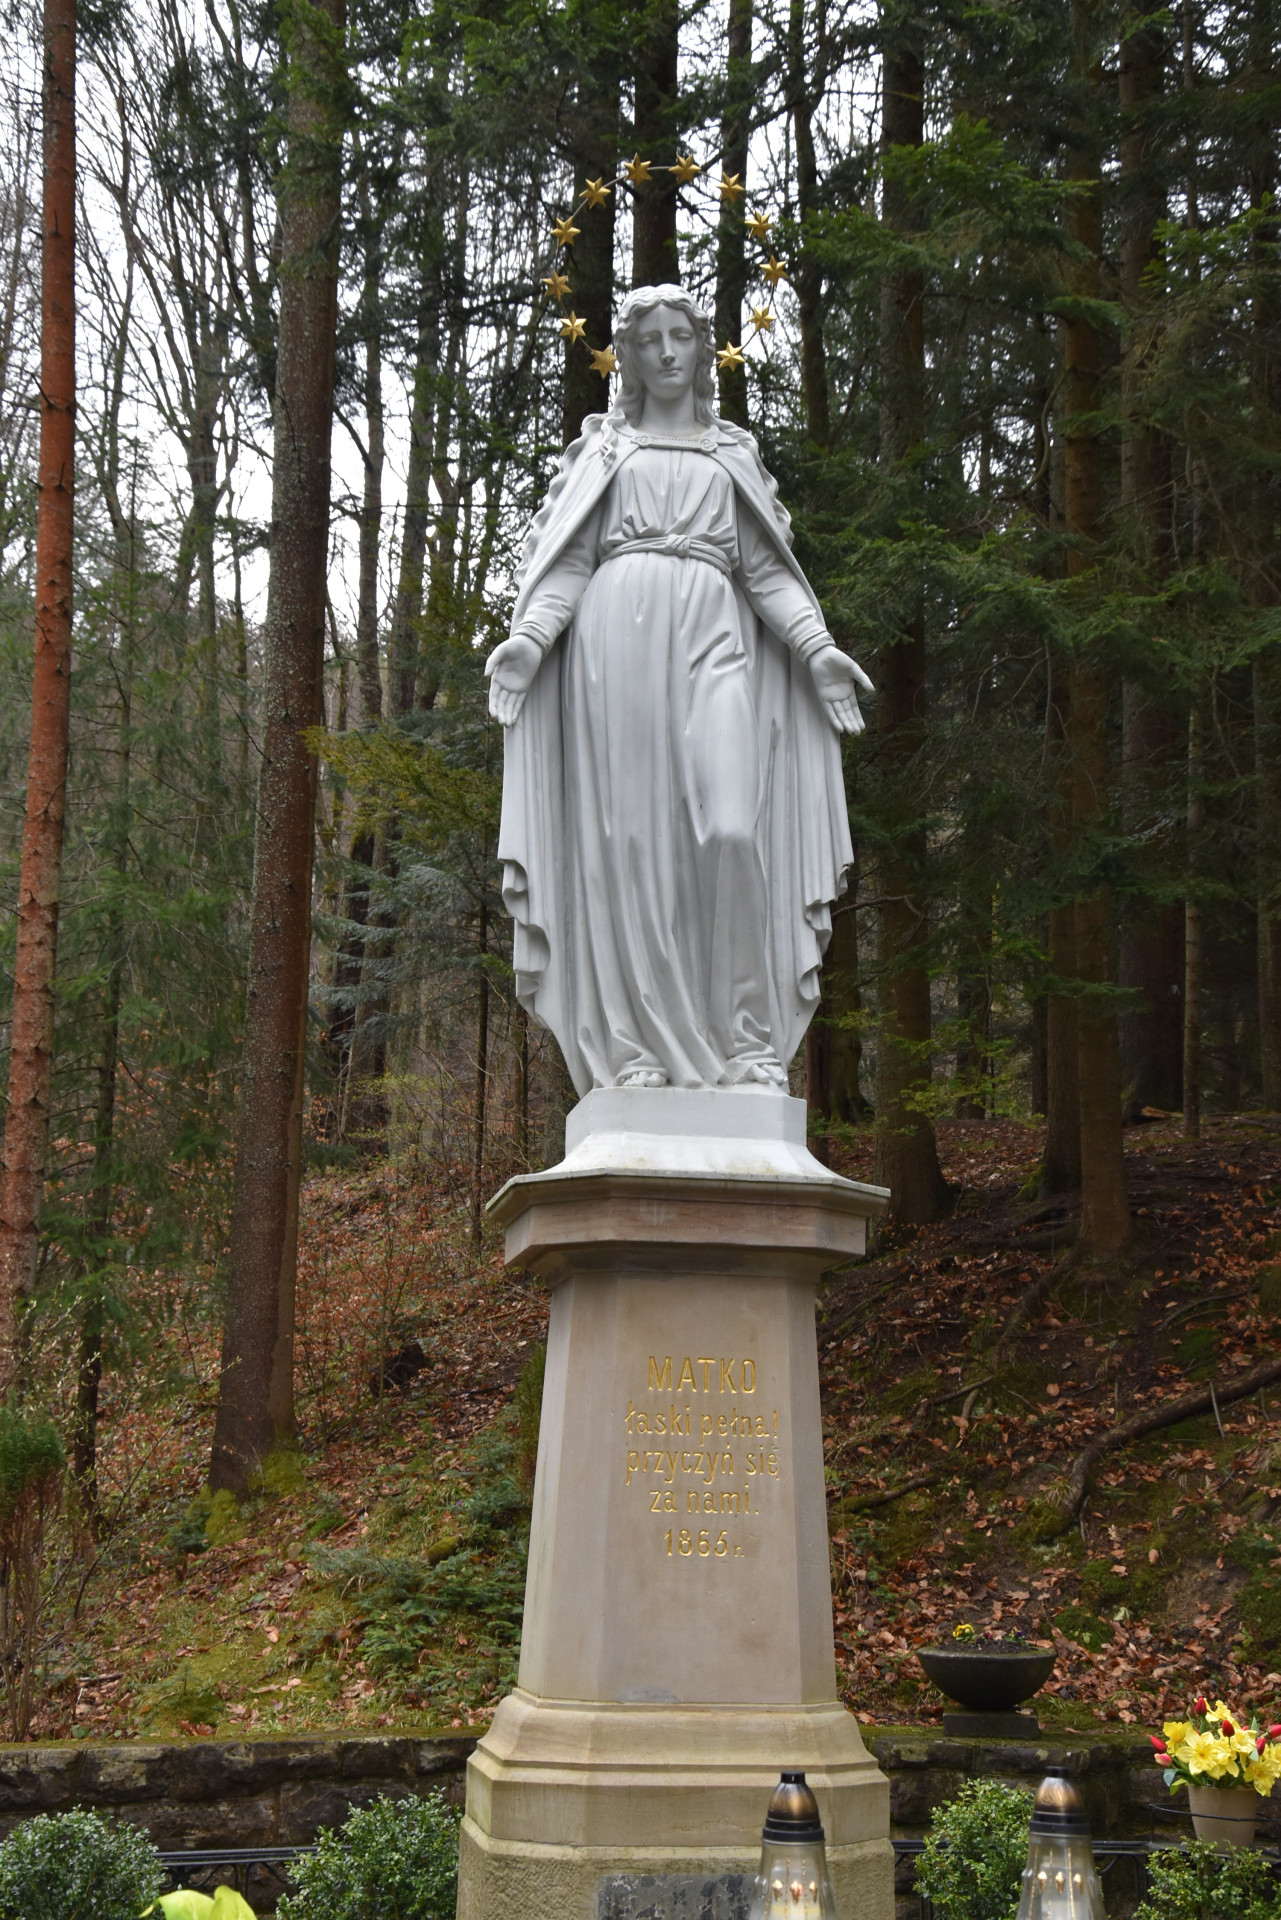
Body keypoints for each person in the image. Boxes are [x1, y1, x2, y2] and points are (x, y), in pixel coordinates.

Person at [485, 284, 873, 1096]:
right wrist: (528, 641)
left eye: (681, 337)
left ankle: (745, 1040)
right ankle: (632, 1049)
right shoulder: (604, 454)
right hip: (612, 644)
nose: (666, 352)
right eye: (649, 339)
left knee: (733, 830)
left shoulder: (731, 455)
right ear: (624, 356)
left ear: (702, 349)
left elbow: (767, 571)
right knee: (628, 843)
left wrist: (816, 648)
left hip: (712, 635)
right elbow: (568, 564)